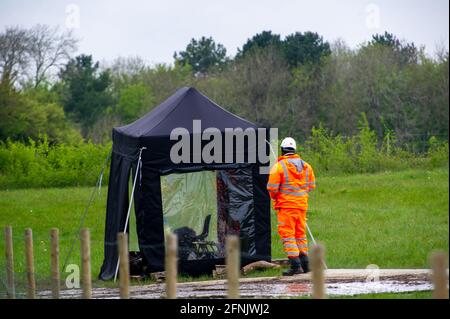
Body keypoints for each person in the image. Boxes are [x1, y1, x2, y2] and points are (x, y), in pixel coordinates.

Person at [267, 137, 316, 276]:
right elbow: (311, 186)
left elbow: (271, 188)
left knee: (288, 236)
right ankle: (306, 265)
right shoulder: (307, 166)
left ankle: (295, 266)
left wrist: (276, 198)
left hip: (286, 207)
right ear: (294, 149)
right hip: (301, 207)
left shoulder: (279, 166)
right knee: (300, 235)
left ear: (282, 150)